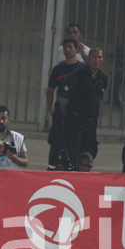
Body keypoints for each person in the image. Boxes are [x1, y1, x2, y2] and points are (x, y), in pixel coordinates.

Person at [58, 48, 108, 161]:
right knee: (72, 154)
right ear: (88, 59)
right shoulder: (77, 75)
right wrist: (67, 116)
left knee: (89, 154)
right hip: (76, 122)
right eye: (94, 57)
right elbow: (64, 98)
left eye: (100, 57)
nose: (97, 60)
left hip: (91, 124)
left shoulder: (103, 78)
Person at [46, 39, 85, 170]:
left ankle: (72, 167)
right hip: (59, 112)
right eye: (65, 48)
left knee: (73, 142)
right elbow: (51, 89)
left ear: (76, 50)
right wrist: (50, 108)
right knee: (56, 141)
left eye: (70, 47)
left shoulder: (82, 69)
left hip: (76, 114)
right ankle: (52, 167)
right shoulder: (58, 69)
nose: (67, 50)